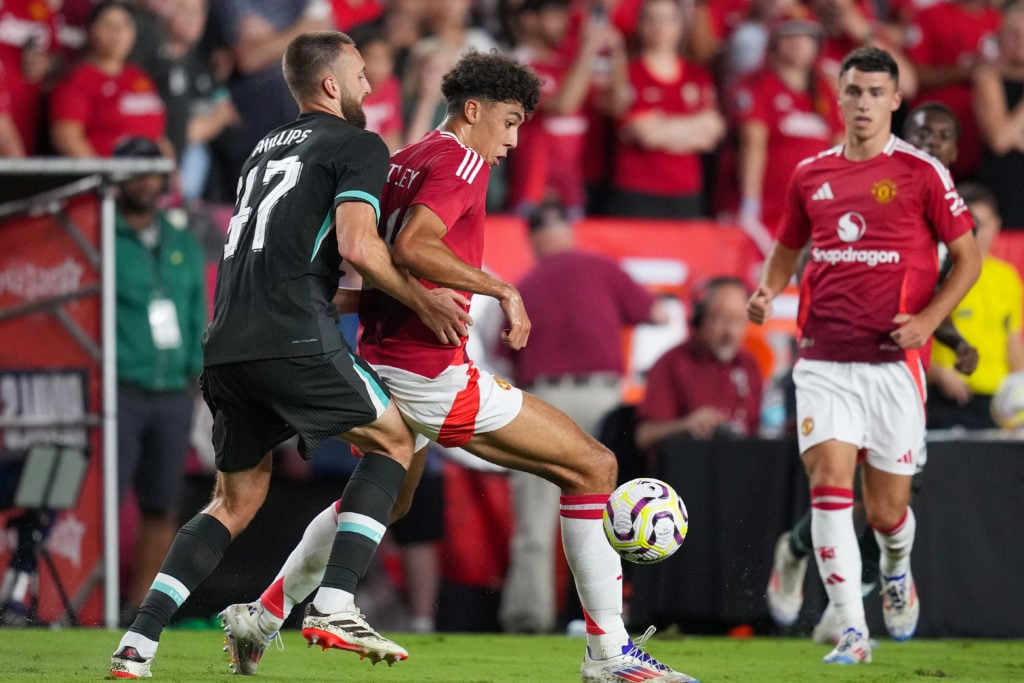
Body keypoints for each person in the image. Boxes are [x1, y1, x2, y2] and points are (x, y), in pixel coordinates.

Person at [218, 49, 699, 682]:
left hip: (380, 359)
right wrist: (502, 288)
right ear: (473, 111)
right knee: (594, 465)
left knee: (378, 505)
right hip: (429, 372)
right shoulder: (461, 160)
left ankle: (263, 613)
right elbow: (416, 245)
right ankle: (610, 655)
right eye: (509, 121)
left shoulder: (403, 160)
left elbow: (370, 255)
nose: (513, 140)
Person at [109, 30, 470, 678]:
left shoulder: (261, 150)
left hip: (227, 344)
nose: (368, 86)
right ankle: (333, 600)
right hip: (291, 338)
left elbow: (293, 260)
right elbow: (360, 247)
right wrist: (421, 298)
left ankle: (137, 643)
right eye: (361, 74)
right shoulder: (358, 144)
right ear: (330, 83)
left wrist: (354, 301)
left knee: (232, 501)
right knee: (395, 441)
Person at [747, 47, 980, 664]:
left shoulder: (923, 173)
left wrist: (930, 321)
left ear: (895, 100)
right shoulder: (810, 174)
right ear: (840, 97)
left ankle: (898, 568)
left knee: (886, 514)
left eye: (876, 93)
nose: (864, 103)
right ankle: (852, 628)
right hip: (824, 357)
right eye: (854, 92)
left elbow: (970, 258)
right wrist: (771, 288)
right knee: (829, 486)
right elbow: (786, 245)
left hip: (893, 365)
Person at [497, 197, 668, 634]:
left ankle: (526, 619)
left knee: (534, 522)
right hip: (600, 399)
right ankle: (607, 618)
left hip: (540, 401)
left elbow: (503, 354)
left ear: (534, 238)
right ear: (568, 230)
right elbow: (659, 312)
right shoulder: (601, 267)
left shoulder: (525, 284)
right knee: (608, 514)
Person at [111, 137, 207, 622]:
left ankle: (138, 611)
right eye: (136, 172)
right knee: (104, 500)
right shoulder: (99, 237)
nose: (146, 182)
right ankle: (91, 601)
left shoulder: (180, 241)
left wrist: (196, 373)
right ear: (115, 178)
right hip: (118, 388)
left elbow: (195, 313)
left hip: (172, 391)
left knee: (162, 503)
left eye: (154, 173)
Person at [607, 0, 725, 218]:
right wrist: (690, 128)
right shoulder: (628, 73)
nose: (659, 26)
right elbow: (643, 133)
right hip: (637, 188)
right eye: (651, 19)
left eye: (667, 19)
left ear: (680, 25)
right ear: (639, 25)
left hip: (686, 189)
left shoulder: (697, 75)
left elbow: (711, 133)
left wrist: (661, 125)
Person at [928, 181, 1024, 428]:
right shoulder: (938, 273)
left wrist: (1020, 386)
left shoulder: (1008, 277)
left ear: (997, 226)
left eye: (985, 223)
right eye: (972, 223)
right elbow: (915, 334)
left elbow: (1013, 340)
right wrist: (939, 374)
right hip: (948, 399)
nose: (979, 232)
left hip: (995, 403)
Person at [636, 277, 763, 449]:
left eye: (738, 320)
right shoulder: (672, 363)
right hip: (689, 470)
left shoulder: (749, 364)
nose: (730, 332)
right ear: (699, 319)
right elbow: (644, 436)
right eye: (721, 319)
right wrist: (686, 426)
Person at [50, 0, 173, 158]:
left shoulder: (139, 77)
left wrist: (170, 170)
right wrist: (104, 178)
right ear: (90, 30)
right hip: (107, 176)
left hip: (149, 174)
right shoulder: (77, 80)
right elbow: (66, 138)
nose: (118, 32)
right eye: (108, 25)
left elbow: (158, 135)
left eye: (125, 25)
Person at [973, 2, 1024, 229]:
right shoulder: (987, 76)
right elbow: (1000, 140)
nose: (1021, 42)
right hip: (1006, 183)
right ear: (1001, 36)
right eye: (1014, 34)